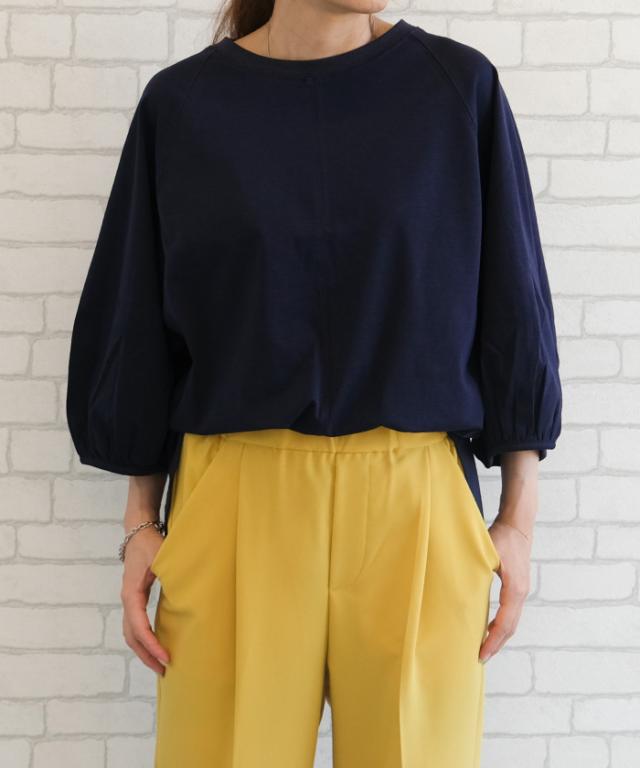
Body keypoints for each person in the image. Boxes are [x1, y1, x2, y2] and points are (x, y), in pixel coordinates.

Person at [65, 3, 563, 767]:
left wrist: (518, 523)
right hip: (234, 503)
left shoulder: (457, 90)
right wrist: (140, 525)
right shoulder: (185, 107)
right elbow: (138, 322)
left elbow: (513, 307)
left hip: (417, 503)